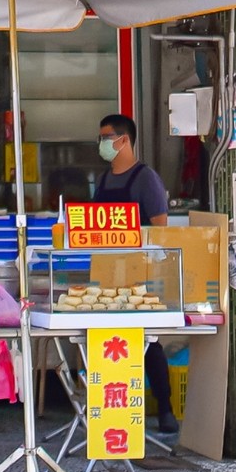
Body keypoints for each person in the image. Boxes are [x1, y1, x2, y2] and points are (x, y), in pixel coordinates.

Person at [94, 114, 178, 434]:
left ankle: (165, 408)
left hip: (140, 274)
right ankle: (117, 408)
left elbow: (161, 231)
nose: (101, 144)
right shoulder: (103, 181)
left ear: (124, 140)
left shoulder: (146, 179)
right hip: (107, 274)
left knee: (148, 343)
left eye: (106, 138)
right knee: (111, 341)